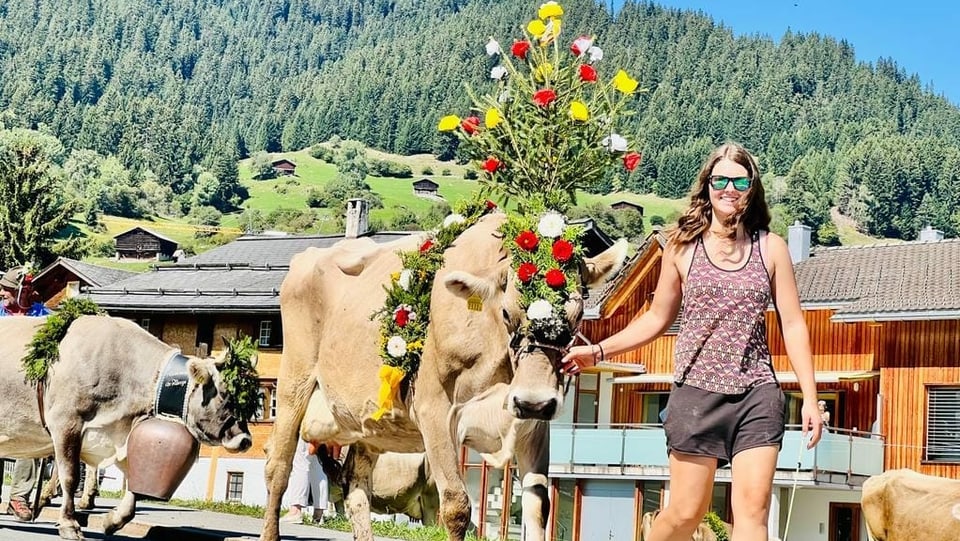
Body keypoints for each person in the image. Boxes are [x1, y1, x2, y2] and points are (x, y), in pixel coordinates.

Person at [561, 142, 822, 541]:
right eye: (721, 179)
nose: (729, 188)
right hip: (696, 394)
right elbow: (656, 318)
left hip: (757, 393)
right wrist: (597, 351)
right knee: (685, 513)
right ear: (708, 185)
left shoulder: (771, 248)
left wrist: (810, 398)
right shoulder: (682, 249)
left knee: (754, 512)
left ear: (752, 187)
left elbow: (793, 324)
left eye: (739, 180)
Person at [0, 265, 52, 522]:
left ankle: (19, 497)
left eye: (7, 289)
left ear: (23, 291)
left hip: (27, 391)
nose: (1, 293)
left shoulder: (43, 317)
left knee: (29, 439)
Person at [281, 438, 329, 524]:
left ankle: (295, 511)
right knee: (317, 463)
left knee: (301, 461)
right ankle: (318, 514)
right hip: (323, 427)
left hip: (306, 428)